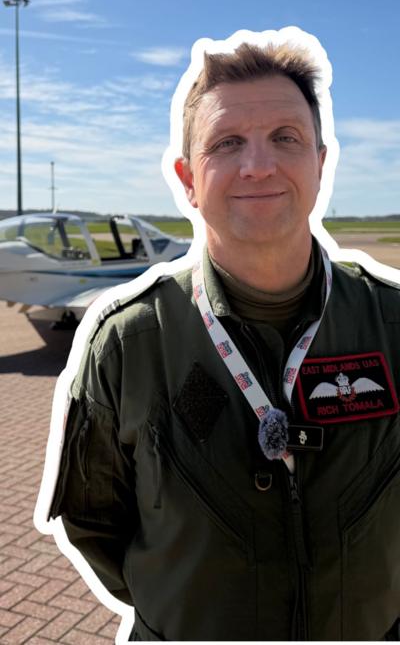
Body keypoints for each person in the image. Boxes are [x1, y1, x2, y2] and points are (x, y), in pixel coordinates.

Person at [46, 33, 400, 641]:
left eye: (285, 138)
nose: (257, 165)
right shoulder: (127, 345)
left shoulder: (392, 324)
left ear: (321, 162)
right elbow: (93, 525)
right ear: (187, 179)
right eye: (227, 143)